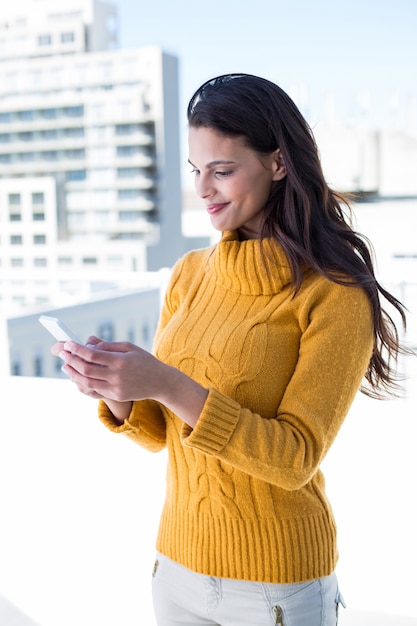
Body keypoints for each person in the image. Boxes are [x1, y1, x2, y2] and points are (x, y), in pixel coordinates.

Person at [52, 74, 408, 626]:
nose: (204, 189)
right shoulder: (188, 275)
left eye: (223, 170)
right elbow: (158, 433)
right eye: (197, 171)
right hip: (176, 567)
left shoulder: (333, 291)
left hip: (277, 589)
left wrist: (167, 382)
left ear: (278, 164)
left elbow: (294, 458)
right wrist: (118, 389)